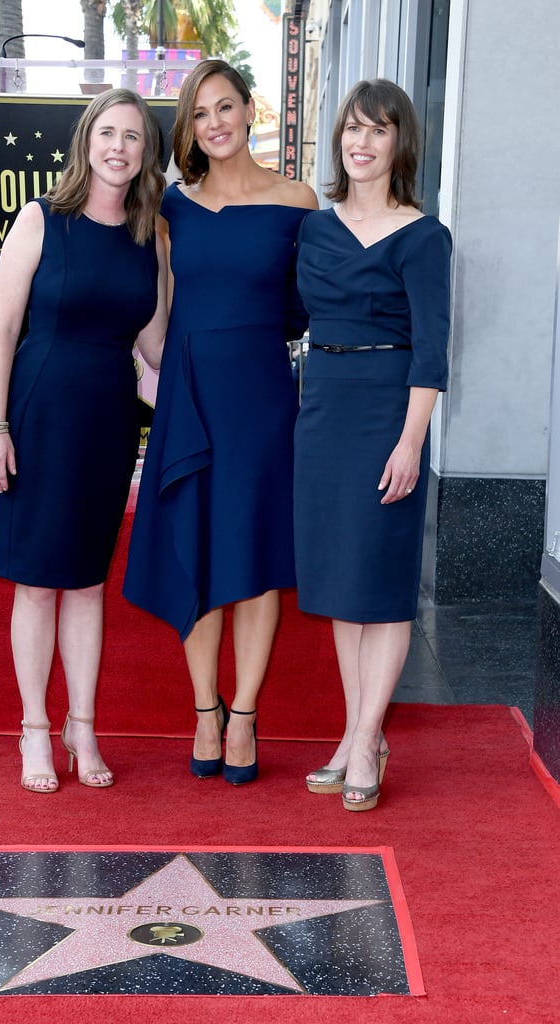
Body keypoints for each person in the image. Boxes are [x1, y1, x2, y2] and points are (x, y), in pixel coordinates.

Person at [123, 60, 318, 785]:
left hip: (264, 397)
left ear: (249, 110)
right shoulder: (171, 208)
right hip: (189, 393)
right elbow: (157, 312)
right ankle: (204, 709)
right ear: (189, 128)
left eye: (226, 106)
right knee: (195, 548)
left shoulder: (298, 201)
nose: (216, 123)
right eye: (200, 113)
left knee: (256, 557)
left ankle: (245, 714)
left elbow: (308, 308)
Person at [0, 88, 167, 794]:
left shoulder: (151, 237)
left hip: (108, 425)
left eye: (133, 138)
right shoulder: (41, 221)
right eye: (108, 133)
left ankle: (82, 728)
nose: (119, 147)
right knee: (35, 582)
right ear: (87, 142)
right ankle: (34, 729)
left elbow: (154, 349)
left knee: (87, 583)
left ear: (146, 154)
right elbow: (1, 333)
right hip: (37, 417)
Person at [294, 79, 452, 811]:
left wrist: (411, 441)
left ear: (400, 144)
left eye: (378, 131)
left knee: (382, 584)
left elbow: (431, 350)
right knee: (342, 586)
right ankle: (359, 731)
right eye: (353, 129)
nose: (362, 142)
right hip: (323, 409)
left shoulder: (424, 236)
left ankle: (364, 742)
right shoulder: (316, 230)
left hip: (390, 410)